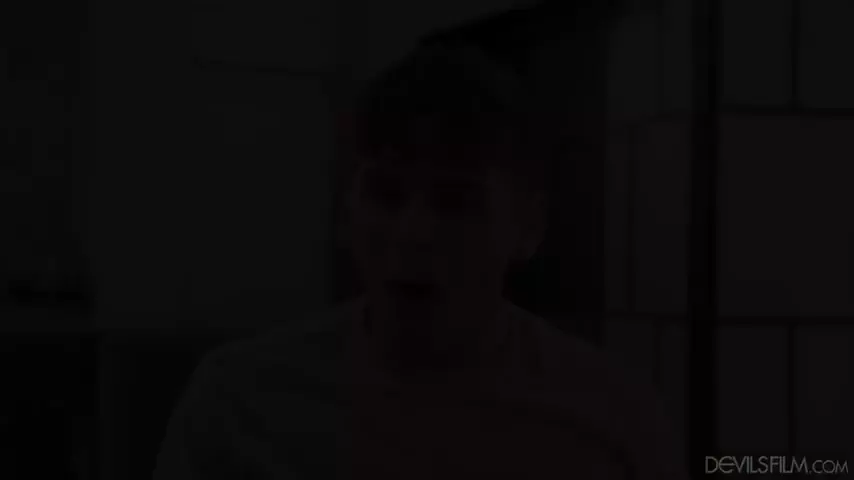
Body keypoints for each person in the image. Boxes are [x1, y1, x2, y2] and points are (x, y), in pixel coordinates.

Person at [152, 44, 688, 479]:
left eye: (456, 201)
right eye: (385, 194)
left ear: (527, 227)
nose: (413, 233)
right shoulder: (239, 404)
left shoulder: (610, 419)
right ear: (346, 215)